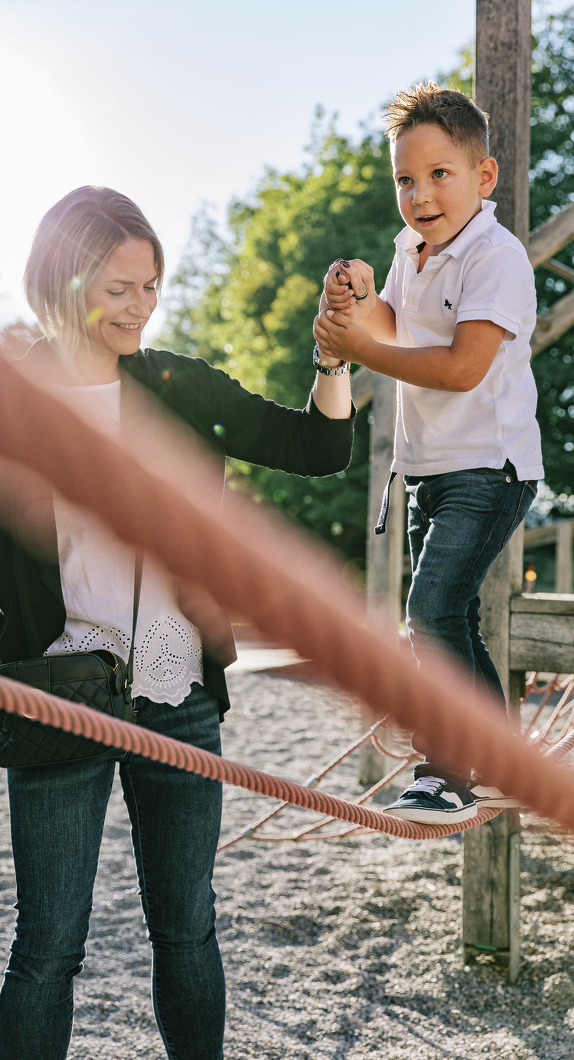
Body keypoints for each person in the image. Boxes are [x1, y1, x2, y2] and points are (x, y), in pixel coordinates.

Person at [0, 186, 355, 1060]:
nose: (141, 306)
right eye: (118, 287)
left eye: (151, 285)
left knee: (188, 931)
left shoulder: (178, 385)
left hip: (177, 691)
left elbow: (317, 448)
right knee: (48, 948)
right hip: (57, 695)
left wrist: (334, 355)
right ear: (63, 278)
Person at [313, 83, 543, 825]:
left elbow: (460, 367)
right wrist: (364, 296)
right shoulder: (411, 250)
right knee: (445, 619)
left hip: (490, 464)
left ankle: (452, 764)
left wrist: (362, 349)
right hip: (429, 469)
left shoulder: (496, 257)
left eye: (440, 174)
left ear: (485, 177)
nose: (419, 194)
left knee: (432, 606)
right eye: (405, 179)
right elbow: (398, 324)